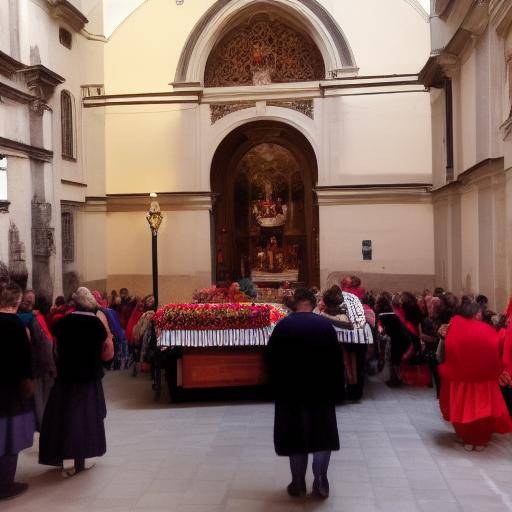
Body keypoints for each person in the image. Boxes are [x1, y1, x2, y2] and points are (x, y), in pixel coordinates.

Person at [265, 288, 340, 499]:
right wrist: (337, 391)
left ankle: (298, 482)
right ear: (313, 302)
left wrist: (274, 389)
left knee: (295, 436)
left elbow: (270, 360)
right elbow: (336, 361)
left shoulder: (283, 326)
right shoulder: (325, 325)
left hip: (291, 392)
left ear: (295, 303)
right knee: (322, 436)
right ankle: (321, 480)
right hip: (321, 390)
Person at [39, 287, 114, 477]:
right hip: (89, 378)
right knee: (86, 419)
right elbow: (105, 353)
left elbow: (55, 349)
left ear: (74, 303)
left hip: (66, 378)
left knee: (65, 418)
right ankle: (84, 458)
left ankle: (67, 460)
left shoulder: (62, 323)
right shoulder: (96, 325)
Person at [439, 300, 512, 450]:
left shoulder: (453, 326)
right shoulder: (485, 329)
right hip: (483, 380)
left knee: (463, 409)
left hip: (461, 379)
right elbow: (495, 348)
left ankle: (467, 438)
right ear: (476, 313)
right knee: (482, 410)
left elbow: (447, 350)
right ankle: (480, 439)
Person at [0, 282, 36, 500]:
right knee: (9, 439)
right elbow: (24, 359)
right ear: (17, 301)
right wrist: (28, 381)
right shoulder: (16, 325)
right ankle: (5, 485)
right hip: (10, 392)